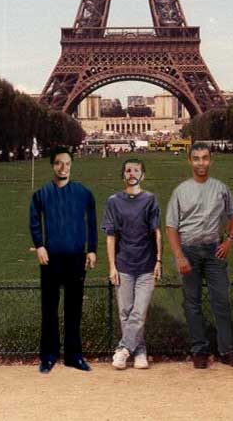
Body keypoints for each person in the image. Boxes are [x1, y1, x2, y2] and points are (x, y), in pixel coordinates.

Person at [166, 142, 233, 369]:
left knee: (221, 301)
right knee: (192, 304)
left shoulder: (221, 188)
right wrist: (179, 256)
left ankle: (226, 350)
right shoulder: (181, 191)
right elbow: (171, 227)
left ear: (210, 160)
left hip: (214, 250)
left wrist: (230, 239)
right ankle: (199, 351)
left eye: (204, 158)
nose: (201, 162)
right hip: (189, 251)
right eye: (196, 158)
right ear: (190, 161)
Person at [29, 146, 97, 373]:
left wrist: (92, 249)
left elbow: (92, 221)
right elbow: (34, 220)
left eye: (67, 163)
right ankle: (48, 356)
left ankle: (73, 356)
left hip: (76, 256)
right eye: (58, 163)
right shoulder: (41, 194)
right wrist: (39, 245)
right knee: (49, 309)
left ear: (71, 165)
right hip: (50, 257)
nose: (63, 167)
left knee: (73, 309)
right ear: (52, 165)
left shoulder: (84, 193)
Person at [101, 158, 162, 370]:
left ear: (142, 175)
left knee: (139, 311)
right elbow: (110, 236)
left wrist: (159, 260)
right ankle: (139, 350)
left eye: (136, 170)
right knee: (126, 312)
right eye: (128, 170)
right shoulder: (113, 201)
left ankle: (122, 350)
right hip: (124, 264)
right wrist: (111, 266)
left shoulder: (150, 199)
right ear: (123, 175)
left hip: (146, 264)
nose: (132, 173)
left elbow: (157, 232)